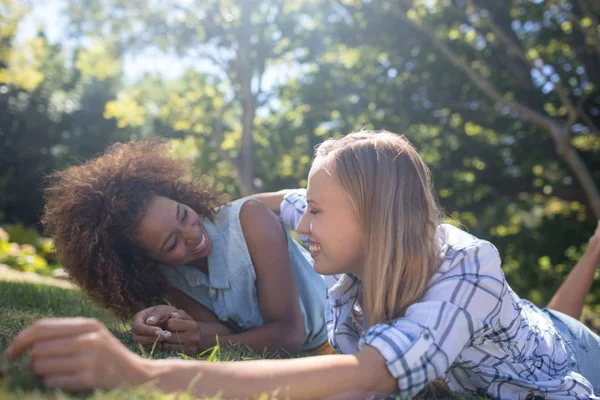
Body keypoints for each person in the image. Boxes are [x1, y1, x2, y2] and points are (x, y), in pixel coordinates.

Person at [7, 131, 600, 399]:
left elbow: (368, 376)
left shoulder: (467, 265)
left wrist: (142, 376)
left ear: (372, 218)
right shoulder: (349, 247)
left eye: (316, 212)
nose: (302, 226)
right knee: (526, 324)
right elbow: (276, 205)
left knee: (545, 335)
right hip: (504, 337)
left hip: (573, 359)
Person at [40, 139, 332, 356]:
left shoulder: (250, 221)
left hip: (339, 339)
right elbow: (222, 330)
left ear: (179, 197)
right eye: (172, 243)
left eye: (183, 214)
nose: (193, 235)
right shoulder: (169, 278)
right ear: (145, 262)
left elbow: (288, 335)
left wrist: (204, 342)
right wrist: (169, 328)